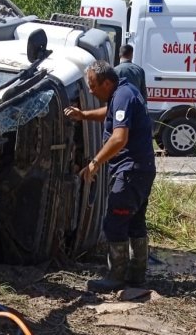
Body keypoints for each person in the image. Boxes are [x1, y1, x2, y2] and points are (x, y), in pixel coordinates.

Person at [64, 60, 156, 293]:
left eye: (93, 86)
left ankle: (116, 276)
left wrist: (95, 162)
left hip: (130, 171)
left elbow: (119, 138)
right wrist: (84, 115)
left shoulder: (123, 95)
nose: (91, 91)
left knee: (115, 222)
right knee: (134, 222)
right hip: (141, 169)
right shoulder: (124, 92)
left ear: (107, 82)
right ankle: (136, 276)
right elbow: (111, 113)